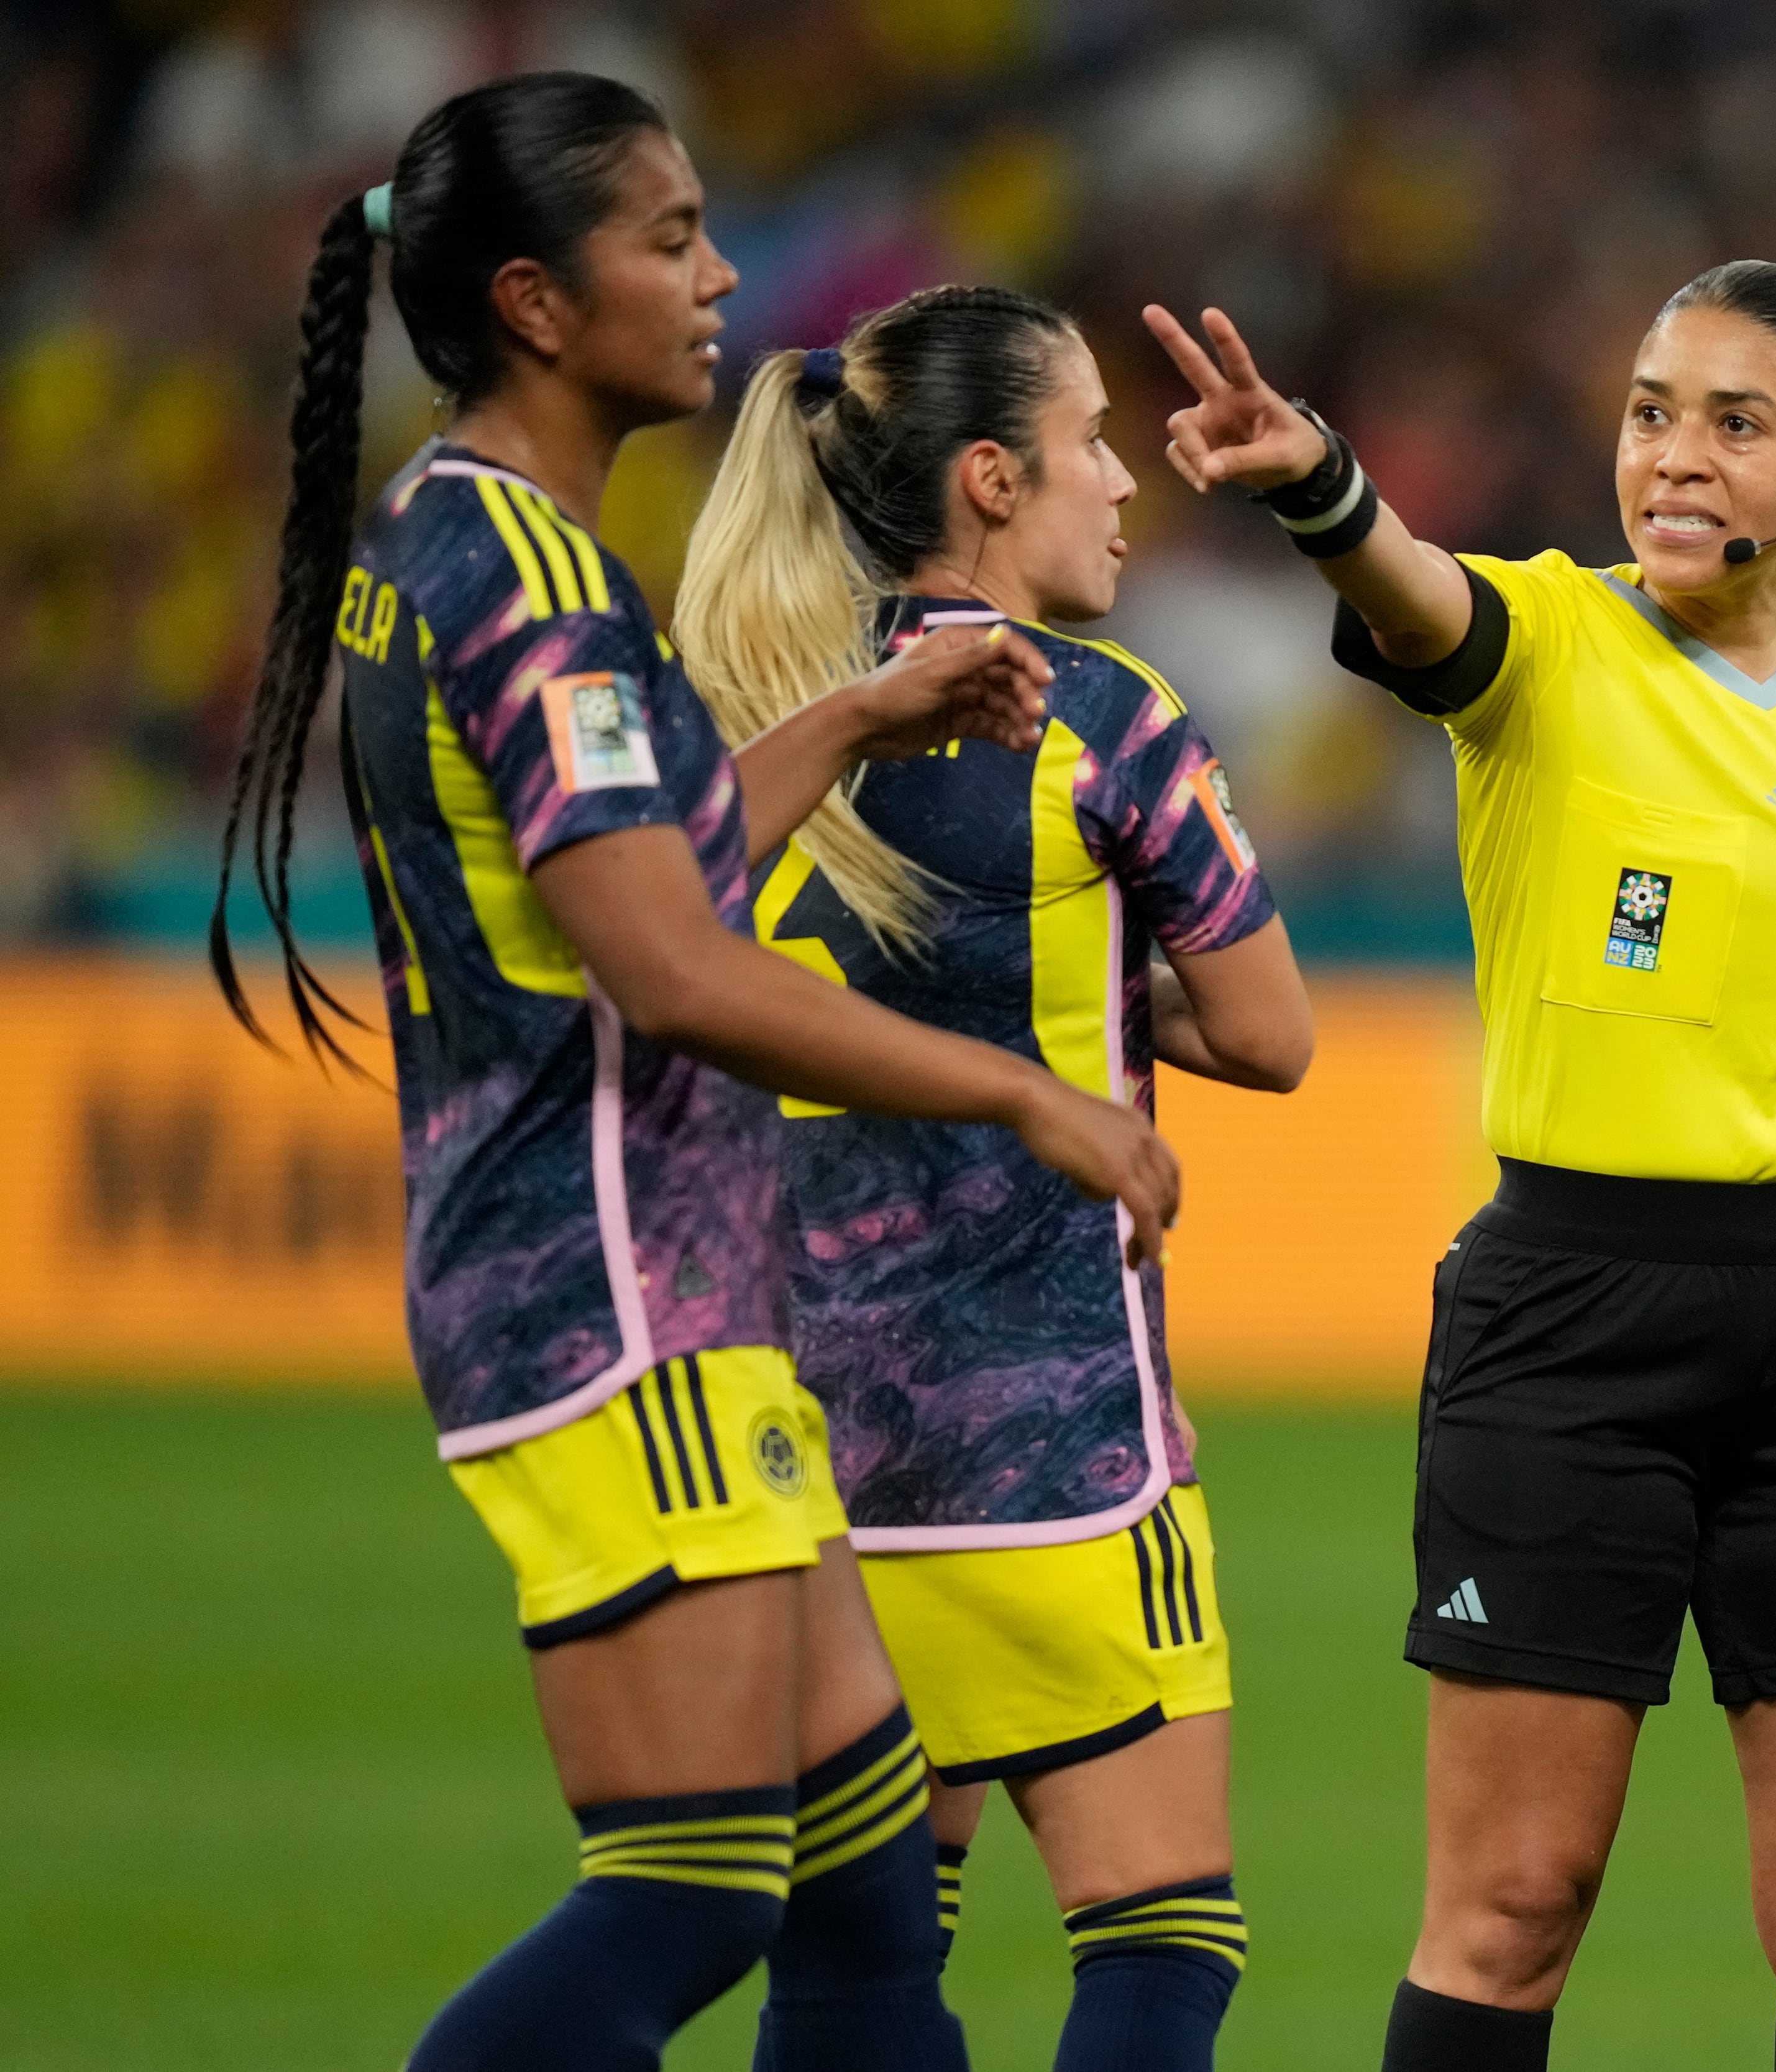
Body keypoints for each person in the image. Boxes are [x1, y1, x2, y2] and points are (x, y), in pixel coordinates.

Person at [209, 75, 1179, 2072]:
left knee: (857, 1893)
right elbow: (668, 967)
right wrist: (1020, 1092)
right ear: (537, 304)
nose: (722, 274)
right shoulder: (543, 594)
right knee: (691, 1891)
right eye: (668, 238)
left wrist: (856, 713)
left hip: (639, 1291)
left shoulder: (458, 539)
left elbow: (647, 862)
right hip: (617, 1291)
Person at [1145, 262, 1776, 2072]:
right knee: (1511, 1909)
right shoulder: (1548, 642)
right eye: (1648, 412)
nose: (1675, 458)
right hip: (1572, 1330)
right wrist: (1320, 484)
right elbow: (1416, 596)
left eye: (1735, 422)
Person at [672, 283, 1311, 2072]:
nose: (1123, 482)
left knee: (857, 1971)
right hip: (1059, 1442)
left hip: (803, 1452)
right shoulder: (1096, 717)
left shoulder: (758, 710)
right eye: (1091, 441)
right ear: (987, 480)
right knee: (1162, 1934)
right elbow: (1270, 1037)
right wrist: (1096, 993)